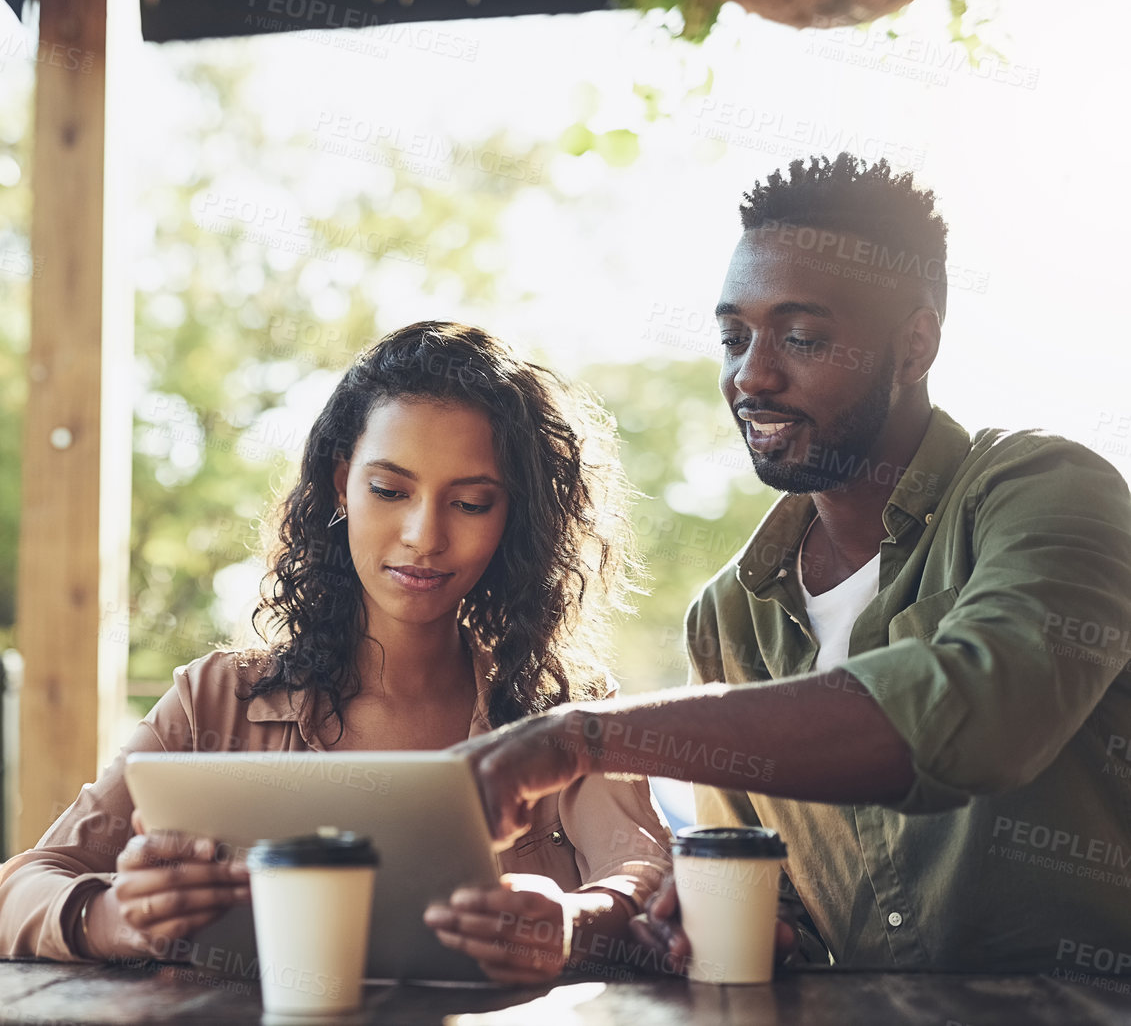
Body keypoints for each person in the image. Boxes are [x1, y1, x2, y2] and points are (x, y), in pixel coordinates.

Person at [460, 154, 1131, 974]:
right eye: (733, 337)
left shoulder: (1048, 491)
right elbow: (778, 906)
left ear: (913, 345)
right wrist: (678, 924)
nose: (752, 375)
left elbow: (977, 713)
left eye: (802, 337)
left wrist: (585, 736)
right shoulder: (729, 615)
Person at [0, 320, 671, 982]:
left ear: (514, 516)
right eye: (388, 489)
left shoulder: (565, 710)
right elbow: (19, 892)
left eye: (470, 502)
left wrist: (576, 922)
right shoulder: (216, 700)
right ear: (341, 484)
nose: (422, 536)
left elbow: (650, 882)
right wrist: (119, 917)